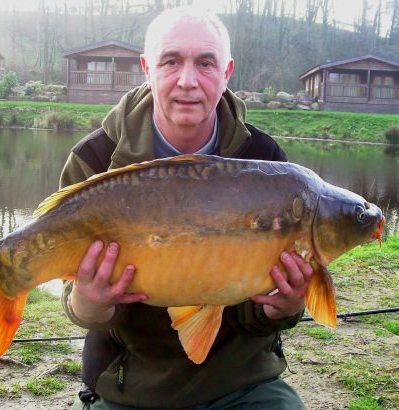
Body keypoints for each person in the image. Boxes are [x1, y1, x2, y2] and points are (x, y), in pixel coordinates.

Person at [60, 6, 312, 409]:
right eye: (171, 61)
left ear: (227, 72)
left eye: (206, 63)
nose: (188, 81)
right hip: (128, 380)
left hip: (240, 380)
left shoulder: (266, 163)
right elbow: (79, 305)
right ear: (147, 67)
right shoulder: (95, 159)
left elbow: (265, 316)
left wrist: (285, 306)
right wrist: (89, 302)